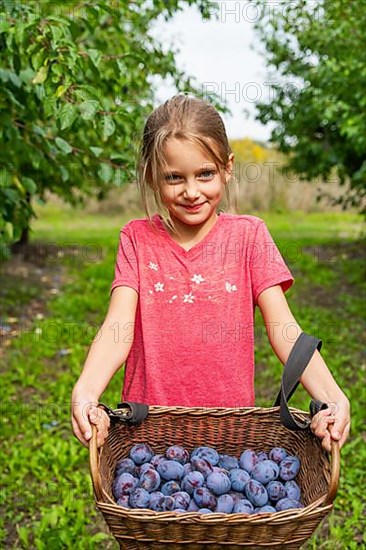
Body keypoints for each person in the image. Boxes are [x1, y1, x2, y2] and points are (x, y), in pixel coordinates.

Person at [71, 94, 350, 453]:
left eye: (205, 174)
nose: (191, 192)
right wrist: (87, 390)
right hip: (150, 436)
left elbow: (285, 331)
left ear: (227, 167)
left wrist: (333, 397)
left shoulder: (248, 237)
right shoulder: (137, 239)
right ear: (152, 177)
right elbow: (117, 329)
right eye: (174, 178)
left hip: (229, 437)